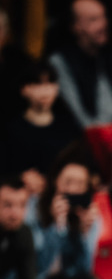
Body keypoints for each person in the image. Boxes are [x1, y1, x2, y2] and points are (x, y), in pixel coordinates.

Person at [29, 156, 112, 279]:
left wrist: (84, 233)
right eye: (68, 182)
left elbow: (84, 269)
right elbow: (38, 269)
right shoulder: (33, 208)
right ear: (55, 182)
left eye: (79, 184)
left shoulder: (91, 216)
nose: (73, 189)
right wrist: (57, 227)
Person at [49, 0, 112, 129]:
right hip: (86, 139)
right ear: (75, 27)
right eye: (94, 19)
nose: (103, 24)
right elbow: (76, 115)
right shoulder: (60, 62)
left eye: (104, 17)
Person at [0, 60, 81, 194]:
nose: (45, 91)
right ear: (24, 89)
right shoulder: (10, 130)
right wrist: (20, 177)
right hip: (25, 199)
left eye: (50, 83)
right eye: (37, 84)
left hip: (63, 194)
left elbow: (82, 164)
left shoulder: (69, 126)